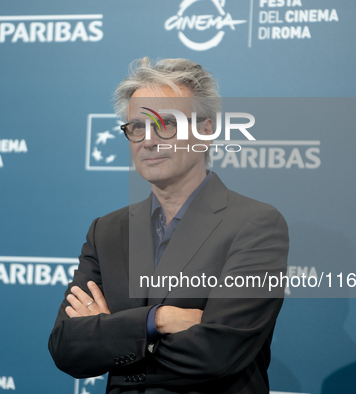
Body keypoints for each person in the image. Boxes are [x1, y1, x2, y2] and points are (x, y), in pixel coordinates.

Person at [48, 57, 289, 393]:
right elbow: (66, 347)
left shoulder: (255, 224)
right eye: (136, 127)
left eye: (165, 124)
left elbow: (216, 352)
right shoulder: (107, 230)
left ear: (206, 130)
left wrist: (111, 334)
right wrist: (157, 320)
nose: (148, 141)